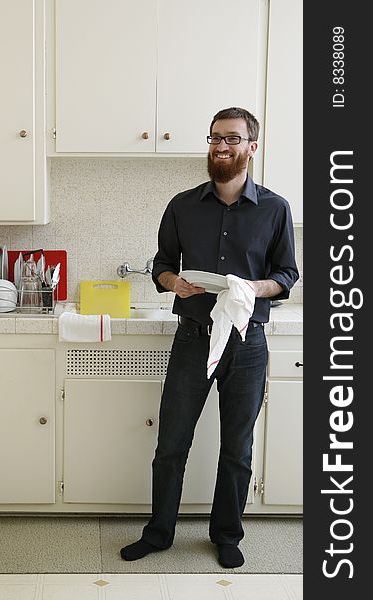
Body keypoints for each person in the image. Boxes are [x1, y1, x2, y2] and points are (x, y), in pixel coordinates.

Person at [120, 107, 299, 568]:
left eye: (233, 139)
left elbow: (287, 274)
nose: (221, 146)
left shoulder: (276, 209)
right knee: (172, 442)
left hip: (246, 340)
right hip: (192, 338)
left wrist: (253, 287)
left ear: (251, 147)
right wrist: (172, 282)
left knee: (237, 447)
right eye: (216, 138)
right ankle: (159, 533)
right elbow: (160, 263)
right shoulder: (182, 205)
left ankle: (226, 535)